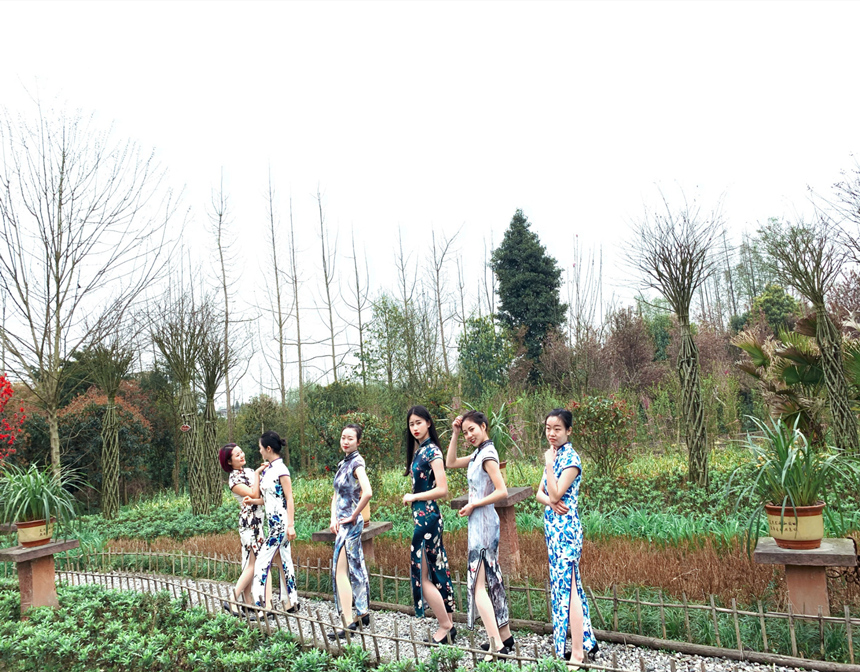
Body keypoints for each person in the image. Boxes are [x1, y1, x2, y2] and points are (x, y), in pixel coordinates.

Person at [446, 410, 514, 659]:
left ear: (484, 426)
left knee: (478, 585)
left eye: (472, 429)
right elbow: (450, 462)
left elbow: (502, 491)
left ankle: (495, 644)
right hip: (479, 523)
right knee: (491, 581)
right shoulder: (478, 453)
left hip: (484, 524)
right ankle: (505, 636)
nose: (469, 435)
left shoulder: (488, 455)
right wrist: (455, 434)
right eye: (465, 432)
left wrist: (475, 503)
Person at [536, 409, 598, 667]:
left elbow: (554, 493)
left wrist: (549, 467)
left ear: (569, 431)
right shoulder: (555, 454)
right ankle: (586, 643)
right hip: (553, 528)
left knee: (570, 589)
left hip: (567, 532)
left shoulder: (570, 459)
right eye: (548, 428)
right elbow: (539, 495)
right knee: (565, 587)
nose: (551, 433)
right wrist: (551, 501)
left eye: (557, 429)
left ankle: (578, 653)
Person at [402, 406, 456, 644]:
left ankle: (445, 625)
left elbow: (442, 489)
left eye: (418, 423)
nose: (415, 428)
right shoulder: (420, 451)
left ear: (428, 423)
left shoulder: (432, 451)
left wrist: (414, 496)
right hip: (425, 517)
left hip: (427, 519)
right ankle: (449, 623)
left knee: (422, 575)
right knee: (436, 569)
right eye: (411, 424)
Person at [246, 430, 299, 616]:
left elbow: (289, 498)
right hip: (274, 524)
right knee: (284, 560)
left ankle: (261, 606)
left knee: (262, 561)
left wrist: (290, 525)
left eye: (260, 448)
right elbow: (269, 498)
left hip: (281, 525)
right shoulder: (269, 470)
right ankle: (291, 601)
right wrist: (253, 501)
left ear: (268, 448)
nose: (259, 451)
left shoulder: (281, 470)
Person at [327, 423, 372, 639]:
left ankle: (347, 623)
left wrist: (354, 515)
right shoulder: (343, 463)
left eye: (350, 438)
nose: (345, 441)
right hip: (342, 523)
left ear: (358, 442)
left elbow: (368, 492)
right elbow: (336, 494)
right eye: (343, 437)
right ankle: (362, 612)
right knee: (355, 567)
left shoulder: (357, 463)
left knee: (340, 571)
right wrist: (333, 518)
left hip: (351, 525)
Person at [218, 443, 266, 616]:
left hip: (258, 520)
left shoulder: (249, 471)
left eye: (241, 452)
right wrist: (258, 474)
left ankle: (248, 603)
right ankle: (232, 599)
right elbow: (254, 494)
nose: (242, 456)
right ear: (229, 462)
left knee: (248, 562)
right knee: (254, 563)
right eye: (237, 455)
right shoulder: (234, 480)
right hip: (249, 523)